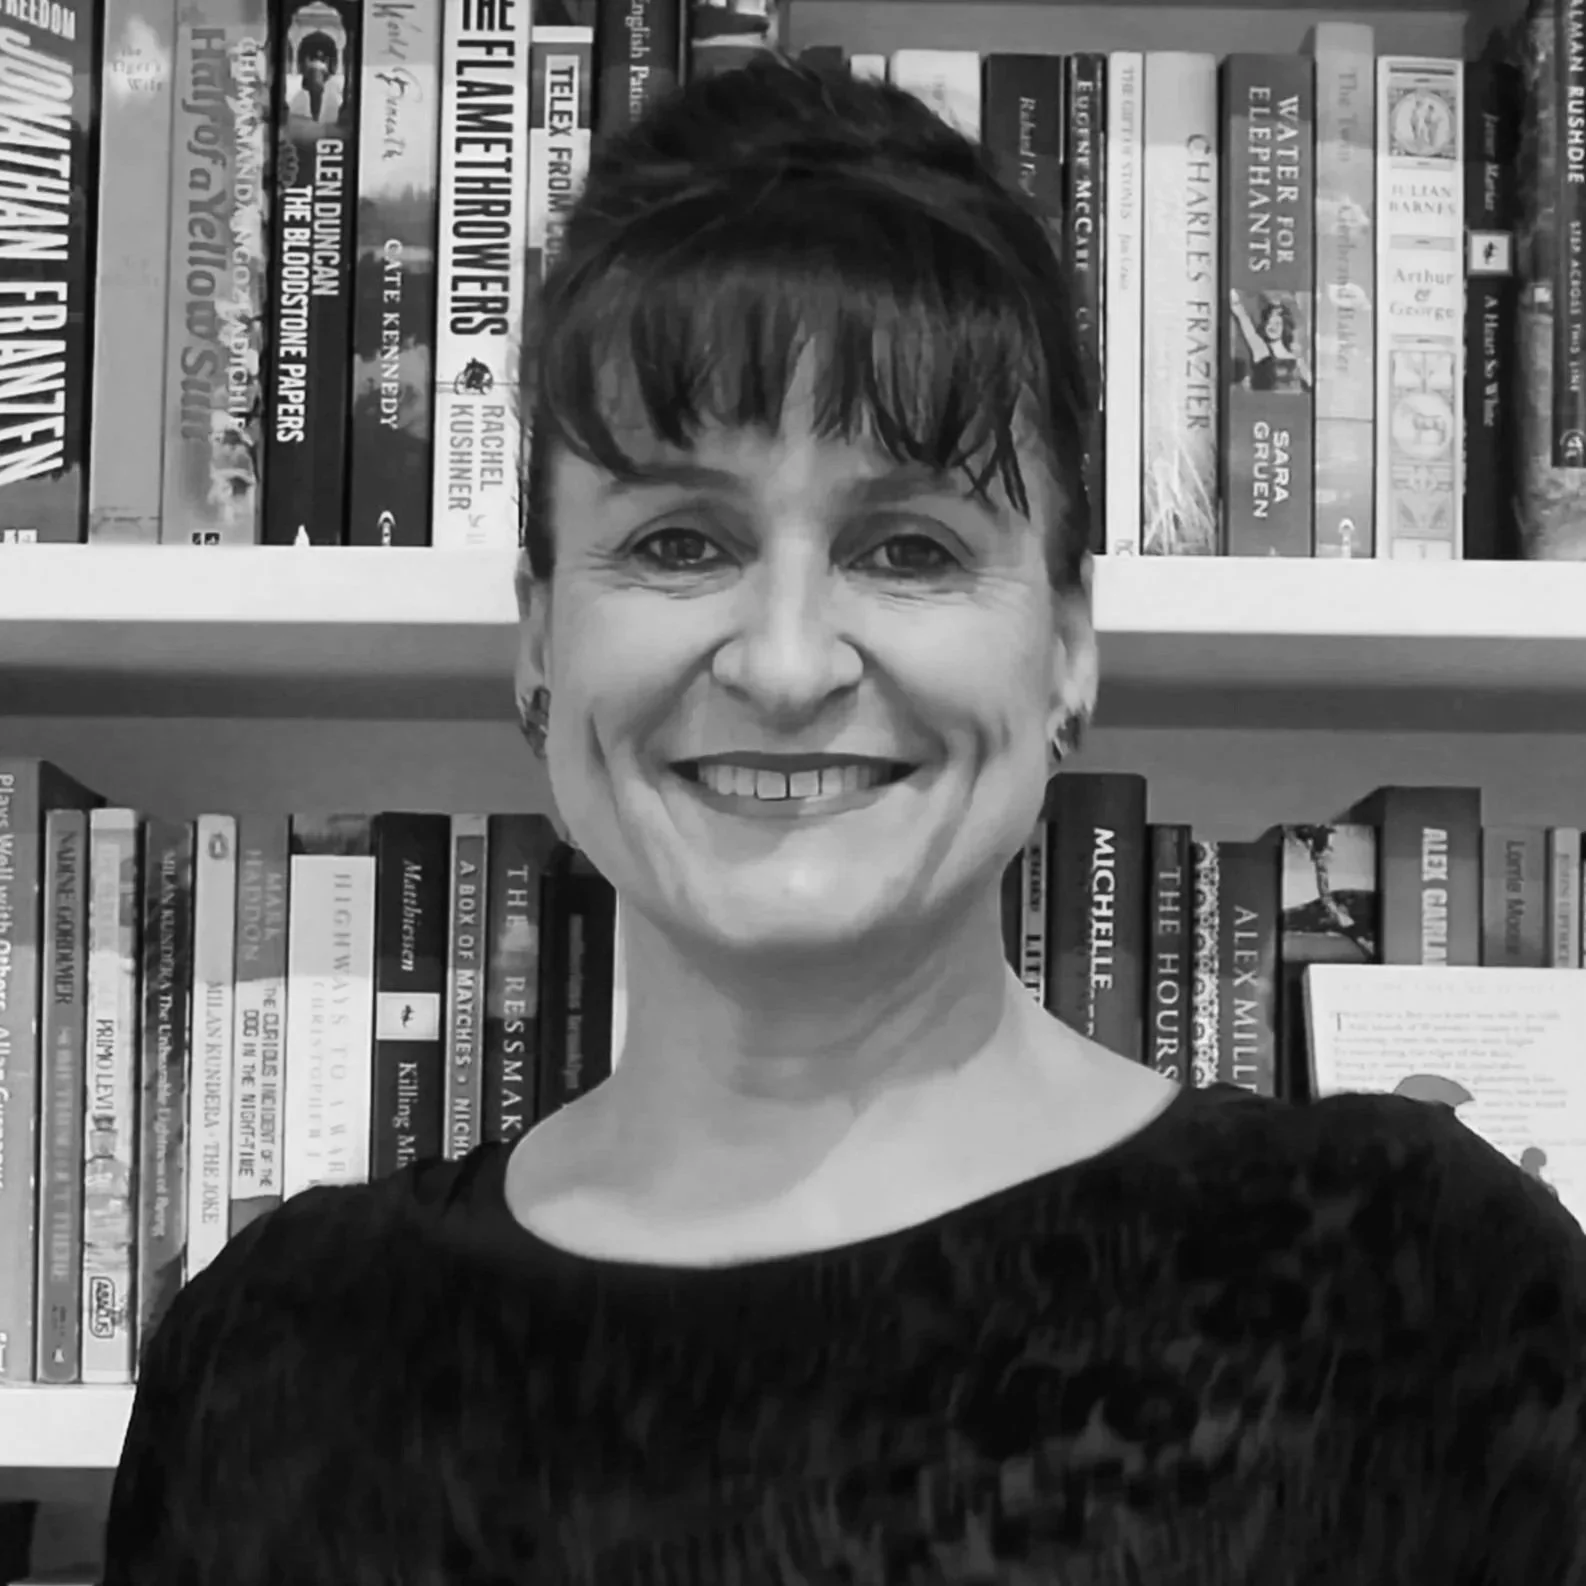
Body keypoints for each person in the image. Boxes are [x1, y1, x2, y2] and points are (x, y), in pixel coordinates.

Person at [104, 54, 1586, 1585]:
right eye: (678, 542)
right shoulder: (271, 1360)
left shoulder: (1413, 1292)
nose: (787, 662)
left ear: (1068, 647)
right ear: (539, 640)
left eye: (909, 547)